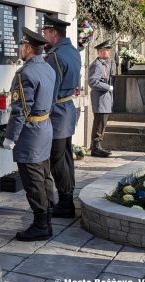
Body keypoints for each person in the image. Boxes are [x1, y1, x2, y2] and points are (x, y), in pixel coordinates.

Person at [3, 27, 56, 241]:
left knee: (33, 180)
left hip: (31, 134)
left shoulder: (25, 73)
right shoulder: (48, 68)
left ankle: (41, 224)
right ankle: (47, 217)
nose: (20, 50)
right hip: (45, 128)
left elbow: (21, 109)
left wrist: (10, 137)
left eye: (21, 46)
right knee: (44, 176)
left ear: (28, 47)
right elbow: (51, 100)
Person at [42, 14, 81, 218]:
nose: (44, 35)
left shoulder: (55, 56)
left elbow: (51, 88)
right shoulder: (72, 51)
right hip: (67, 110)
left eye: (45, 32)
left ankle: (66, 204)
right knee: (65, 157)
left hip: (57, 113)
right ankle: (67, 199)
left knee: (56, 159)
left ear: (54, 33)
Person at [88, 40, 113, 157]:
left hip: (105, 99)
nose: (109, 52)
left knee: (102, 123)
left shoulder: (105, 64)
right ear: (101, 52)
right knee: (99, 123)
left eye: (109, 50)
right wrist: (108, 87)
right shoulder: (97, 64)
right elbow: (93, 82)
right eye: (107, 50)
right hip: (100, 99)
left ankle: (97, 146)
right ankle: (96, 148)